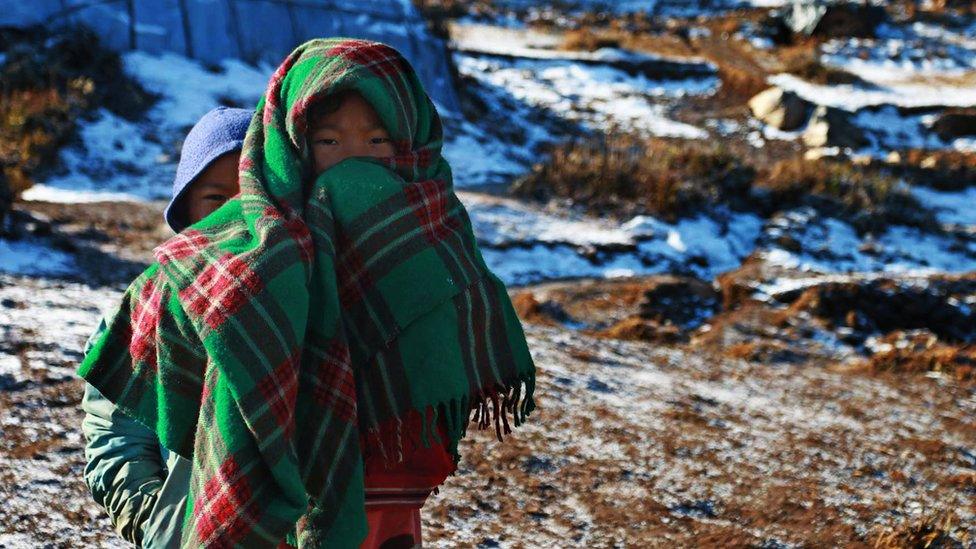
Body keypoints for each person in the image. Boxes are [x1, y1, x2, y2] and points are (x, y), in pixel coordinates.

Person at [78, 38, 536, 549]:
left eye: (377, 140)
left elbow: (429, 424)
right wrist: (151, 515)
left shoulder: (422, 259)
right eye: (330, 142)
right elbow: (115, 425)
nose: (352, 164)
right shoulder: (192, 287)